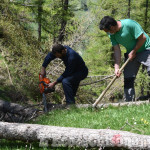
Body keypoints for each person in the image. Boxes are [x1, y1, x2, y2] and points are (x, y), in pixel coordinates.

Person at [99, 16, 150, 101]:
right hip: (131, 53)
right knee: (128, 78)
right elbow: (116, 50)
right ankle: (129, 102)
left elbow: (143, 38)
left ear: (112, 27)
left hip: (146, 48)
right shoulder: (111, 34)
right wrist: (117, 67)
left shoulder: (130, 24)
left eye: (108, 31)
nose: (108, 33)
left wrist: (134, 51)